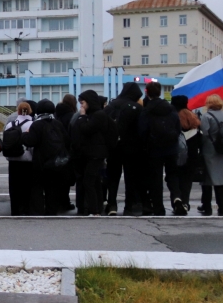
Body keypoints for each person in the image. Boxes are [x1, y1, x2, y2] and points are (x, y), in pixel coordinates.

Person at [138, 82, 182, 216]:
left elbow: (142, 130)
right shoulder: (170, 108)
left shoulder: (147, 110)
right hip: (171, 148)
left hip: (154, 150)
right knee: (173, 175)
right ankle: (177, 198)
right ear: (160, 92)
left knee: (155, 179)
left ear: (147, 93)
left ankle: (158, 207)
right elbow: (178, 128)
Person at [71, 90, 116, 216]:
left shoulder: (97, 115)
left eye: (83, 103)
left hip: (96, 153)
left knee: (89, 181)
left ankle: (94, 210)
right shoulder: (96, 114)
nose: (82, 106)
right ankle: (97, 208)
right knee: (95, 181)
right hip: (93, 152)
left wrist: (82, 116)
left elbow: (86, 129)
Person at [20, 99, 70, 215]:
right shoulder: (57, 124)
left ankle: (38, 211)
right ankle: (51, 211)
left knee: (37, 188)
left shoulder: (37, 124)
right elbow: (67, 141)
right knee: (53, 188)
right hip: (56, 162)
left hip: (40, 162)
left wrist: (24, 134)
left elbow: (30, 141)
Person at [104, 82, 144, 216]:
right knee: (130, 178)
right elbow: (141, 129)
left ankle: (112, 205)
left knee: (113, 177)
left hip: (113, 147)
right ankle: (129, 206)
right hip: (131, 148)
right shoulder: (137, 108)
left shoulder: (111, 106)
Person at [170, 95, 202, 215]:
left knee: (174, 177)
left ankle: (176, 199)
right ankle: (185, 202)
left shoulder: (173, 117)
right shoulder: (193, 117)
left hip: (175, 153)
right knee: (187, 180)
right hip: (192, 155)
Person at [3, 101, 34, 216]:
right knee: (26, 187)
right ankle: (25, 209)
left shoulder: (11, 125)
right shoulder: (32, 124)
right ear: (29, 110)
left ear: (18, 111)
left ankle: (14, 210)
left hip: (13, 159)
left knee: (14, 187)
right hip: (27, 160)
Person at [199, 94, 223, 215]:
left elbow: (204, 133)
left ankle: (206, 206)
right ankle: (221, 205)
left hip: (210, 149)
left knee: (207, 179)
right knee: (220, 178)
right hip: (222, 151)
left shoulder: (207, 116)